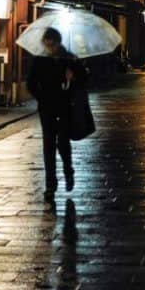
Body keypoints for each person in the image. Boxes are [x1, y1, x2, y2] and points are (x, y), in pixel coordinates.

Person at [26, 27, 87, 202]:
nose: (49, 47)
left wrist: (72, 77)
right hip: (46, 108)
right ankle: (50, 185)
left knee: (63, 142)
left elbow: (84, 78)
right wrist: (41, 96)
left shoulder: (69, 58)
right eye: (46, 44)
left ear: (58, 42)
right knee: (48, 146)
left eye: (52, 44)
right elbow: (30, 83)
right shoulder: (39, 60)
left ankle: (68, 170)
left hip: (66, 106)